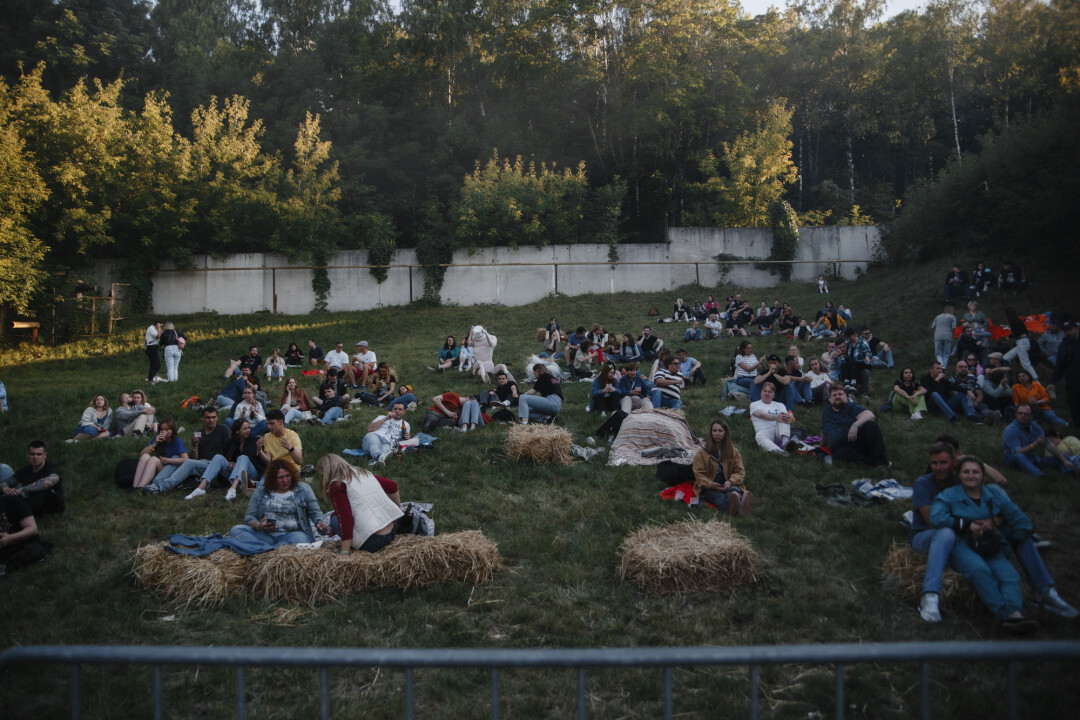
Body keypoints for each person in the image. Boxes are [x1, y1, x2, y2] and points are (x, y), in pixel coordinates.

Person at [930, 456, 1039, 633]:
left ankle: (1015, 613)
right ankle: (1004, 615)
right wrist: (967, 525)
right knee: (979, 570)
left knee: (1010, 576)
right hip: (963, 544)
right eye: (966, 472)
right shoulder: (949, 495)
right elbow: (936, 517)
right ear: (959, 475)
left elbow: (1020, 518)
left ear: (983, 475)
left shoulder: (993, 495)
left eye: (975, 472)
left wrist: (1010, 536)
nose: (971, 475)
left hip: (990, 544)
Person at [908, 442, 962, 622]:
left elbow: (1000, 481)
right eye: (934, 463)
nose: (938, 468)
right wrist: (965, 524)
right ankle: (929, 596)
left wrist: (973, 462)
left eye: (943, 462)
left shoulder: (961, 479)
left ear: (953, 462)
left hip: (957, 533)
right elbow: (933, 523)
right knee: (946, 533)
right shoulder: (923, 483)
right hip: (923, 536)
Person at [228, 458, 329, 547]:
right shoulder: (261, 490)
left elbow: (315, 512)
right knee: (236, 530)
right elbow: (249, 517)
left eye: (287, 476)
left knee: (301, 539)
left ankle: (266, 549)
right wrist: (259, 525)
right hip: (266, 536)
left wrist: (319, 522)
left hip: (294, 534)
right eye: (280, 477)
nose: (285, 480)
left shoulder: (304, 489)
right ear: (273, 479)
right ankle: (276, 548)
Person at [317, 454, 404, 554]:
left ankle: (353, 544)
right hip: (392, 531)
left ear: (327, 472)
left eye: (322, 475)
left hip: (375, 541)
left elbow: (345, 519)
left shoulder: (337, 485)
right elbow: (392, 486)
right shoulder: (364, 473)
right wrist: (399, 508)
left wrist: (345, 552)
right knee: (335, 514)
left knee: (334, 520)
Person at [150, 406, 232, 495]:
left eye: (213, 417)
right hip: (202, 463)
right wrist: (195, 446)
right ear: (202, 419)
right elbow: (194, 458)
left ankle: (163, 486)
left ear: (217, 418)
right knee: (177, 458)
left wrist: (231, 462)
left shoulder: (223, 429)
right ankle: (155, 484)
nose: (211, 420)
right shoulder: (199, 433)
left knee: (188, 463)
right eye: (208, 417)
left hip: (217, 464)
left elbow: (230, 448)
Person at [691, 420, 752, 516]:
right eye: (714, 431)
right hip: (711, 486)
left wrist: (730, 481)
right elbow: (699, 475)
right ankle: (740, 508)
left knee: (734, 491)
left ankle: (735, 504)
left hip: (729, 483)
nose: (717, 433)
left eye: (720, 431)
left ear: (725, 433)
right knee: (718, 498)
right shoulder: (702, 453)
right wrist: (712, 484)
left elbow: (739, 472)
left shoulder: (734, 452)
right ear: (711, 433)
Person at [821, 383, 889, 466]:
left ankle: (880, 460)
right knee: (843, 454)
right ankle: (870, 462)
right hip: (838, 448)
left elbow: (870, 415)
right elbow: (824, 429)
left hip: (853, 440)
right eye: (834, 395)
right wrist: (821, 446)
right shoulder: (826, 411)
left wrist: (855, 426)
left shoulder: (851, 406)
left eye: (840, 394)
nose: (837, 397)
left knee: (870, 425)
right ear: (830, 399)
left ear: (846, 396)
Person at [1002, 403, 1074, 477]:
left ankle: (1069, 473)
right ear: (1016, 414)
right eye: (1020, 413)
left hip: (1034, 459)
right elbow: (1017, 451)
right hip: (1014, 461)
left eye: (1026, 414)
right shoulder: (1010, 430)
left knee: (1064, 457)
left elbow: (1047, 443)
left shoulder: (1034, 426)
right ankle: (1041, 476)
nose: (1022, 416)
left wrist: (1064, 460)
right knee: (1019, 456)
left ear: (1031, 416)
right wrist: (1035, 444)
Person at [1, 441, 64, 515]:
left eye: (39, 454)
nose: (35, 457)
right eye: (32, 454)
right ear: (28, 455)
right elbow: (6, 482)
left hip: (53, 505)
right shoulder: (26, 470)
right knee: (8, 497)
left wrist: (21, 489)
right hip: (33, 503)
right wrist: (7, 490)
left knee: (43, 489)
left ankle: (21, 513)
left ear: (45, 455)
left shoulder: (52, 467)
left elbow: (47, 483)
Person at [0, 490, 50, 575]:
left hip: (21, 543)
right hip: (3, 550)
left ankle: (5, 567)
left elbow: (32, 529)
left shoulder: (13, 501)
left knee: (33, 550)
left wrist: (9, 538)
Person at [132, 421, 188, 490]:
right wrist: (155, 443)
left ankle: (141, 487)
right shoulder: (157, 439)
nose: (163, 432)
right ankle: (135, 486)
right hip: (160, 467)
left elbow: (186, 459)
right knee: (145, 456)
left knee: (153, 459)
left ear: (172, 431)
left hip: (170, 469)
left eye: (166, 429)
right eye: (162, 429)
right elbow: (142, 454)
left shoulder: (177, 441)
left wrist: (168, 460)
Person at [1049, 319, 1080, 424]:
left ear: (1076, 328)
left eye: (1070, 329)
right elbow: (1059, 366)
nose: (1067, 332)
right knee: (1074, 410)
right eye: (1065, 330)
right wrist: (1052, 382)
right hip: (1071, 383)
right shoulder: (1063, 346)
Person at [749, 381, 793, 453]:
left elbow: (786, 416)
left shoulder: (780, 405)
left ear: (773, 395)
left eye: (769, 392)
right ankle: (780, 452)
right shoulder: (754, 404)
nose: (766, 393)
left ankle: (785, 444)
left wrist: (789, 417)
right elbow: (761, 415)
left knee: (783, 418)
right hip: (765, 433)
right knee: (759, 436)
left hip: (779, 431)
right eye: (765, 391)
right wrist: (776, 418)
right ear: (761, 393)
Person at [1002, 307, 1039, 380]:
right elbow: (1024, 331)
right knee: (1006, 357)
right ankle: (1008, 375)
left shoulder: (1013, 322)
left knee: (1025, 364)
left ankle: (1036, 380)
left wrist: (1010, 336)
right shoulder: (1019, 321)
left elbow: (1017, 332)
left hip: (1021, 342)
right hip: (1023, 342)